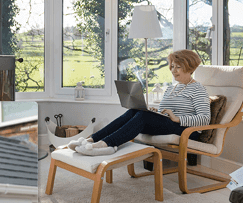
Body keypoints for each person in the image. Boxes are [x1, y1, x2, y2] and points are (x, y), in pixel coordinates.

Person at [69, 49, 210, 156]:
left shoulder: (198, 89)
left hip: (186, 130)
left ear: (189, 67)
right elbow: (163, 111)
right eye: (172, 66)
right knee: (135, 111)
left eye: (178, 67)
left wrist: (177, 118)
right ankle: (91, 140)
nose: (173, 70)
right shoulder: (171, 89)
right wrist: (156, 112)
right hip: (169, 124)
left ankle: (105, 145)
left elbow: (205, 119)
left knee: (142, 116)